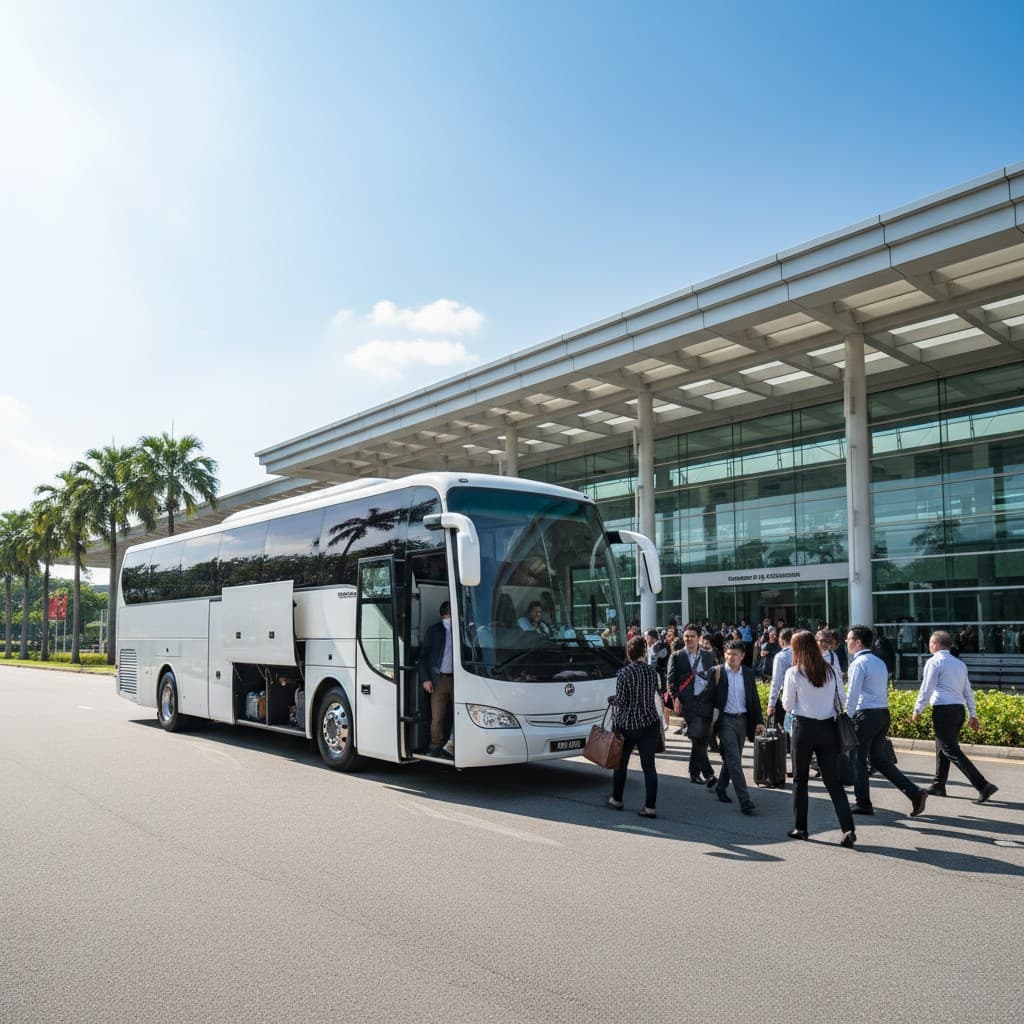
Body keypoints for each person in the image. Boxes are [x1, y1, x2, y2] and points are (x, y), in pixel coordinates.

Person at [781, 631, 857, 846]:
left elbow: (787, 705)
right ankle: (848, 829)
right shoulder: (831, 670)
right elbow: (842, 699)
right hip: (828, 728)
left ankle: (801, 828)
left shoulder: (794, 673)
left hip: (803, 728)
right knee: (833, 781)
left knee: (800, 779)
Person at [845, 625, 928, 817]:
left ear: (858, 642)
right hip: (882, 714)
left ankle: (863, 803)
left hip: (864, 715)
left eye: (849, 639)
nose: (846, 642)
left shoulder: (858, 663)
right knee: (879, 759)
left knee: (857, 759)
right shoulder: (879, 662)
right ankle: (914, 792)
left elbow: (853, 694)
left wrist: (846, 717)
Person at [912, 631, 998, 804]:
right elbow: (968, 691)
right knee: (942, 747)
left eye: (930, 643)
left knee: (951, 750)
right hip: (958, 711)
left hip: (944, 710)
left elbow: (926, 688)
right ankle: (938, 785)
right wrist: (973, 714)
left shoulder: (934, 661)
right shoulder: (959, 664)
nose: (929, 646)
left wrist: (917, 710)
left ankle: (983, 785)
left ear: (935, 644)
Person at [607, 635, 661, 818]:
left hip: (628, 725)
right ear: (644, 653)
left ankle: (617, 799)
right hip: (650, 723)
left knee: (621, 764)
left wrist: (611, 700)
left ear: (629, 654)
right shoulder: (652, 672)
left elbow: (621, 700)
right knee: (649, 768)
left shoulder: (623, 673)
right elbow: (654, 693)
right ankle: (650, 807)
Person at [711, 640, 764, 815]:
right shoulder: (718, 672)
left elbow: (754, 698)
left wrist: (758, 721)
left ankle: (721, 786)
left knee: (733, 759)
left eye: (734, 654)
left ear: (742, 656)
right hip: (725, 720)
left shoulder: (747, 673)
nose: (730, 657)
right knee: (734, 759)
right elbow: (708, 697)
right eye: (728, 653)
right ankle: (745, 800)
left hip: (742, 720)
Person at [670, 627, 718, 785]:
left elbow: (715, 676)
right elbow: (671, 681)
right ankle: (709, 774)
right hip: (689, 702)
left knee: (701, 739)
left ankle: (694, 772)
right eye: (686, 636)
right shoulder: (677, 656)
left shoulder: (709, 655)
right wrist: (675, 698)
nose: (688, 639)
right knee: (697, 735)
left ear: (699, 638)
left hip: (706, 701)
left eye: (692, 636)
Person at [418, 601, 455, 759]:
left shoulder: (463, 631)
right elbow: (423, 657)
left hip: (458, 679)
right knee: (437, 716)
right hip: (439, 679)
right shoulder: (434, 631)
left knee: (458, 714)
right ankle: (435, 746)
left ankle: (453, 744)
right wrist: (425, 679)